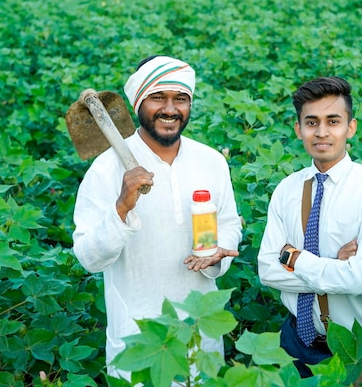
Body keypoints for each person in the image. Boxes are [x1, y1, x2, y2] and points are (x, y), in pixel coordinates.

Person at [72, 55, 242, 381]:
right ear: (139, 103)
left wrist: (221, 250)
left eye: (180, 99)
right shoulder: (106, 169)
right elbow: (88, 258)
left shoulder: (211, 162)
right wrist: (121, 207)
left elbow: (229, 223)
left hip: (200, 332)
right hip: (138, 338)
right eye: (157, 98)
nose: (170, 109)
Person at [257, 76, 362, 378]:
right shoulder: (287, 189)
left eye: (333, 121)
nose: (322, 132)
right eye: (311, 122)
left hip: (356, 347)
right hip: (294, 340)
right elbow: (267, 270)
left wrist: (296, 260)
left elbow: (359, 279)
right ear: (298, 129)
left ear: (351, 127)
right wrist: (335, 265)